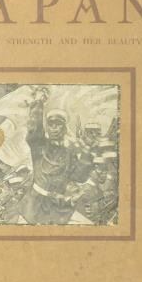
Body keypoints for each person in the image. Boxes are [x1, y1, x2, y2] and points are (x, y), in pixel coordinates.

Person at [18, 90, 94, 225]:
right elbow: (34, 130)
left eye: (58, 125)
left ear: (64, 128)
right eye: (51, 124)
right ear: (47, 127)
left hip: (58, 208)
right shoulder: (39, 146)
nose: (54, 128)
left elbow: (80, 177)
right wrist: (38, 103)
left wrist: (87, 151)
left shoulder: (69, 152)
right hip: (33, 205)